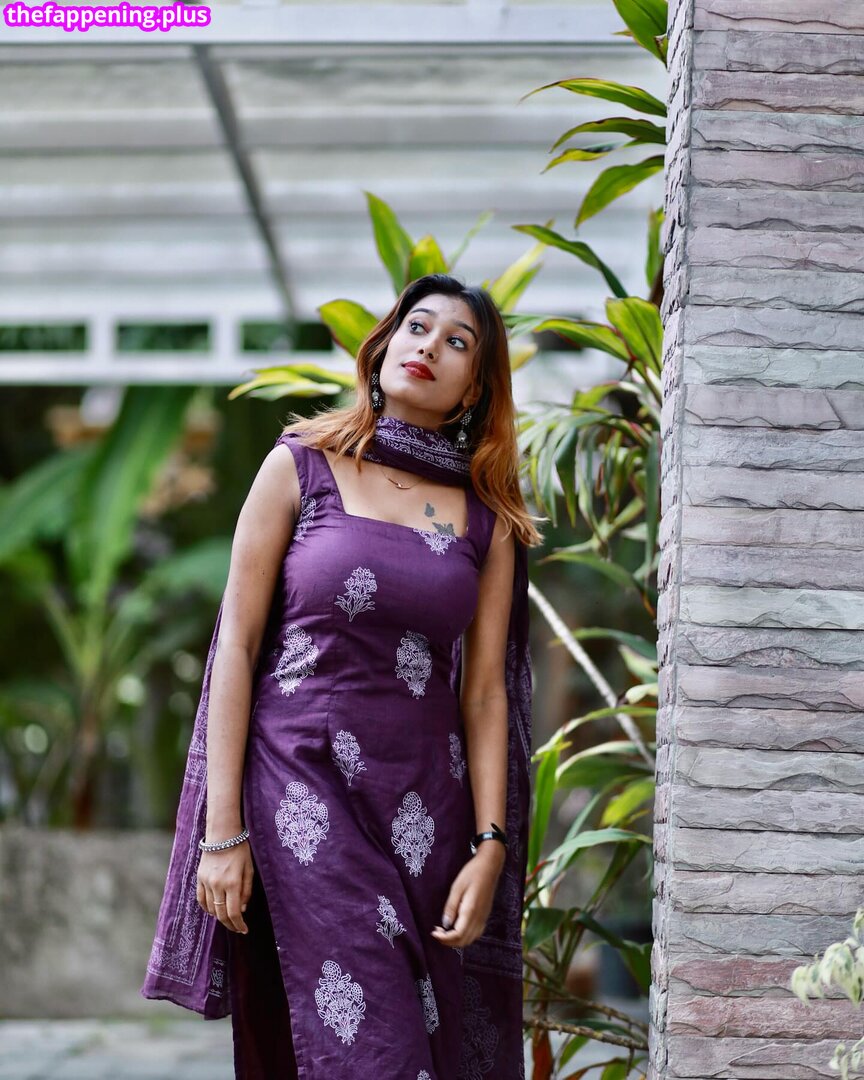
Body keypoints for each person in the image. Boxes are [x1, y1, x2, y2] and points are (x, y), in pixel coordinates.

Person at [141, 273, 544, 1078]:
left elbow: (485, 692)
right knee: (379, 1050)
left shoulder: (487, 518)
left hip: (426, 812)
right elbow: (236, 648)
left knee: (416, 1042)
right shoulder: (300, 466)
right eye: (417, 327)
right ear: (384, 346)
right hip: (304, 792)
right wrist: (223, 832)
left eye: (457, 342)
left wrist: (490, 844)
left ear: (474, 389)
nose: (429, 346)